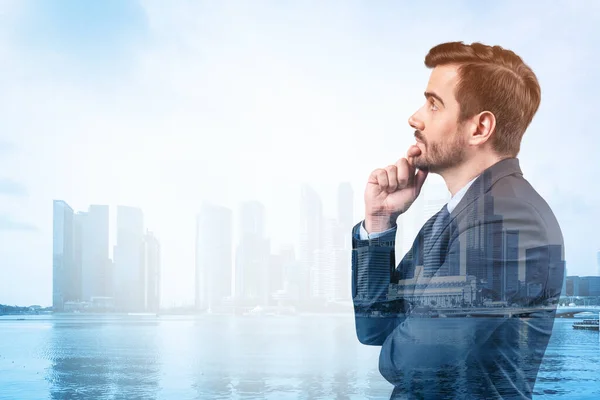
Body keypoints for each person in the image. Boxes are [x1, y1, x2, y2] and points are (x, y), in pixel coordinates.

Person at [351, 41, 565, 399]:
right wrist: (380, 220)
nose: (414, 117)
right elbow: (375, 327)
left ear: (479, 128)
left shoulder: (510, 221)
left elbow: (416, 363)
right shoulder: (449, 218)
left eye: (434, 104)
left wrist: (407, 334)